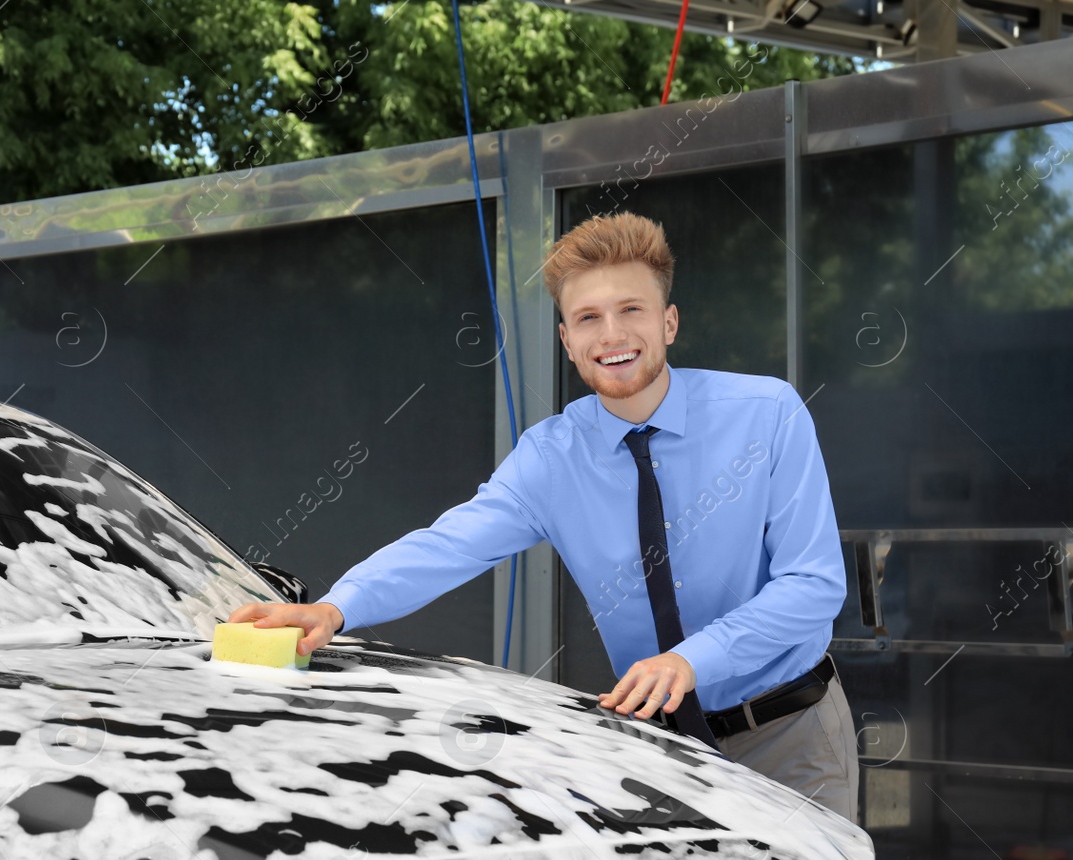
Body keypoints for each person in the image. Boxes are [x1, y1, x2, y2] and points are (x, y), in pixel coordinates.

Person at [228, 211, 859, 820]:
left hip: (790, 737)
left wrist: (692, 659)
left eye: (631, 310)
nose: (611, 335)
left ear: (669, 322)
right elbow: (451, 544)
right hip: (666, 751)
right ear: (566, 339)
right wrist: (337, 607)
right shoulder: (551, 457)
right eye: (588, 318)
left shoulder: (768, 415)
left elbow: (814, 586)